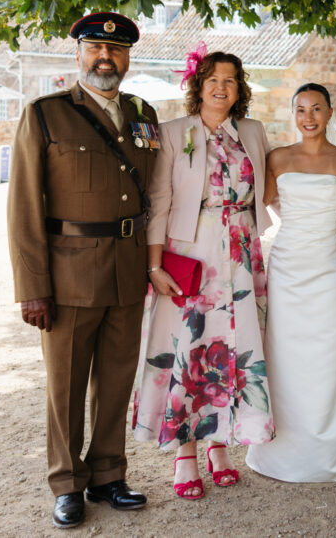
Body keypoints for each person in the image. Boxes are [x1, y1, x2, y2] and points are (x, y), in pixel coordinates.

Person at [8, 12, 156, 529]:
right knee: (65, 386)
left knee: (116, 381)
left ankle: (109, 474)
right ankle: (67, 483)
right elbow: (24, 208)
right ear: (77, 55)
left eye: (114, 51)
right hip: (68, 276)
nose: (105, 58)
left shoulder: (143, 114)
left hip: (127, 271)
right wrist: (32, 288)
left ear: (128, 58)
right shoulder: (46, 115)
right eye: (94, 48)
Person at [132, 50, 273, 500]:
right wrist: (154, 266)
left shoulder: (252, 131)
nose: (221, 88)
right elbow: (159, 200)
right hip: (191, 257)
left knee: (234, 352)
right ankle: (185, 453)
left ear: (240, 88)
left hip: (242, 256)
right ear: (198, 84)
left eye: (231, 81)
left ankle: (219, 446)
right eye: (213, 79)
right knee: (189, 353)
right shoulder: (174, 133)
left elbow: (271, 189)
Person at [245, 82, 336, 481]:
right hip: (287, 265)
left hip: (330, 266)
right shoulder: (278, 157)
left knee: (330, 352)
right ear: (293, 114)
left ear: (330, 112)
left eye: (316, 109)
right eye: (301, 109)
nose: (309, 117)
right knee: (286, 352)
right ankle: (285, 443)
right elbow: (262, 203)